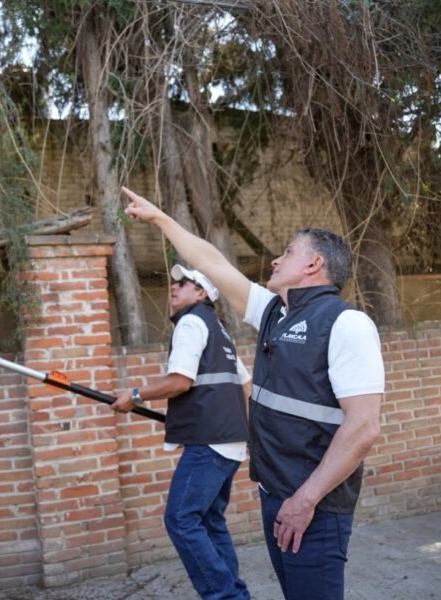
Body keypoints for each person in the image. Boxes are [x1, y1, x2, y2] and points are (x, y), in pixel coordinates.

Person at [120, 186, 384, 600]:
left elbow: (365, 426)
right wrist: (161, 220)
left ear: (314, 264)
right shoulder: (273, 312)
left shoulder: (346, 323)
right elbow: (210, 261)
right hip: (276, 496)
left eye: (288, 252)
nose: (276, 259)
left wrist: (305, 499)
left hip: (313, 504)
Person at [111, 264, 251, 600]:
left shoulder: (191, 322)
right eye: (175, 281)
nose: (174, 286)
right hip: (229, 442)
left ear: (202, 293)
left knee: (182, 520)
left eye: (185, 282)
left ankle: (227, 596)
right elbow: (246, 384)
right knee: (210, 521)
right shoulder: (219, 329)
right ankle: (235, 593)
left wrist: (136, 395)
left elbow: (180, 381)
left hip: (209, 444)